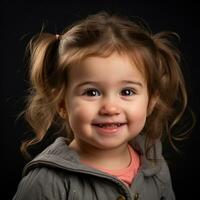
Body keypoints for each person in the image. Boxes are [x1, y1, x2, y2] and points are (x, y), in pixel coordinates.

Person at [13, 11, 191, 200]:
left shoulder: (154, 164)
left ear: (150, 102)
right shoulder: (47, 182)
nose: (110, 108)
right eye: (92, 92)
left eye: (127, 92)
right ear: (62, 104)